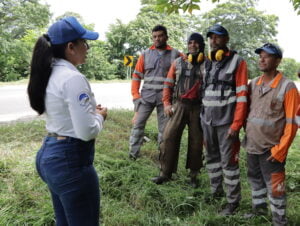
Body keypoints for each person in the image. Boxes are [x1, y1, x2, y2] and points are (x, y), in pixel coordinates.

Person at [27, 17, 107, 225]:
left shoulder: (49, 72)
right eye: (84, 43)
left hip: (50, 154)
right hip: (70, 161)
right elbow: (87, 131)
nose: (87, 48)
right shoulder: (72, 78)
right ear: (71, 47)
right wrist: (100, 116)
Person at [244, 43, 299, 225]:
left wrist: (280, 150)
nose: (262, 58)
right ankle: (258, 210)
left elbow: (292, 123)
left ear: (277, 60)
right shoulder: (254, 84)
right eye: (260, 55)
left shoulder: (288, 87)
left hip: (272, 150)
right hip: (252, 145)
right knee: (255, 180)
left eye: (267, 56)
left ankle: (279, 220)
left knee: (276, 187)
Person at [200, 24, 248, 215]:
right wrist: (201, 118)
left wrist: (236, 124)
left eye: (217, 37)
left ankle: (233, 201)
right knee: (211, 158)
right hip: (208, 120)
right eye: (211, 37)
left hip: (227, 122)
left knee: (229, 162)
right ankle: (215, 190)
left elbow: (242, 96)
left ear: (226, 39)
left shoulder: (238, 62)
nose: (213, 40)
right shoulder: (207, 62)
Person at [151, 33, 205, 187]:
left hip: (198, 107)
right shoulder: (178, 62)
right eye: (190, 42)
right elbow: (168, 84)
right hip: (179, 105)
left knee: (196, 142)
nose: (193, 45)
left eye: (196, 43)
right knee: (168, 137)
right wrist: (167, 104)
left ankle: (193, 176)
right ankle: (165, 173)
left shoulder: (207, 64)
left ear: (201, 45)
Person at [129, 25, 181, 160]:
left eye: (160, 36)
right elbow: (136, 77)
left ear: (166, 37)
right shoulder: (145, 55)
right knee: (138, 125)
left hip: (165, 100)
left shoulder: (176, 55)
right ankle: (133, 155)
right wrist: (136, 96)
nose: (157, 39)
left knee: (164, 131)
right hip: (146, 98)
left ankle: (162, 158)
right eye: (155, 37)